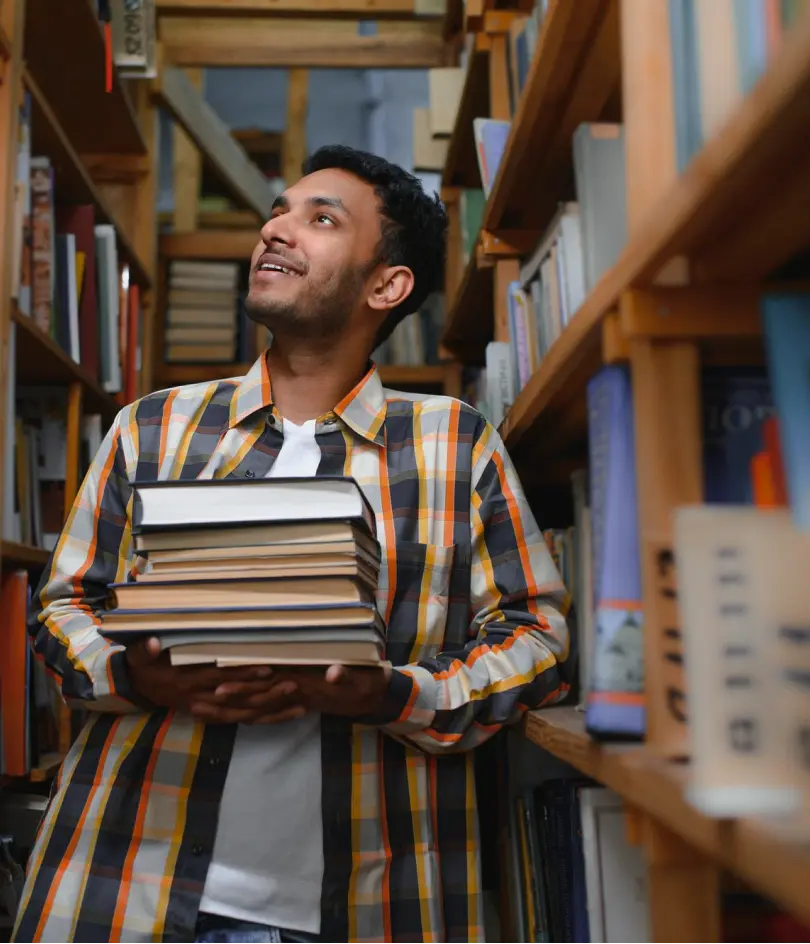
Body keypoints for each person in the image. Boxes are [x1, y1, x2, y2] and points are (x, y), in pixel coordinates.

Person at [13, 145, 572, 944]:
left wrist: (391, 695)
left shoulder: (456, 445)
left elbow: (540, 641)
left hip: (374, 907)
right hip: (126, 889)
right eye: (278, 210)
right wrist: (135, 675)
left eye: (320, 219)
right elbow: (64, 606)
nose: (276, 230)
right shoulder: (154, 426)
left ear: (387, 285)